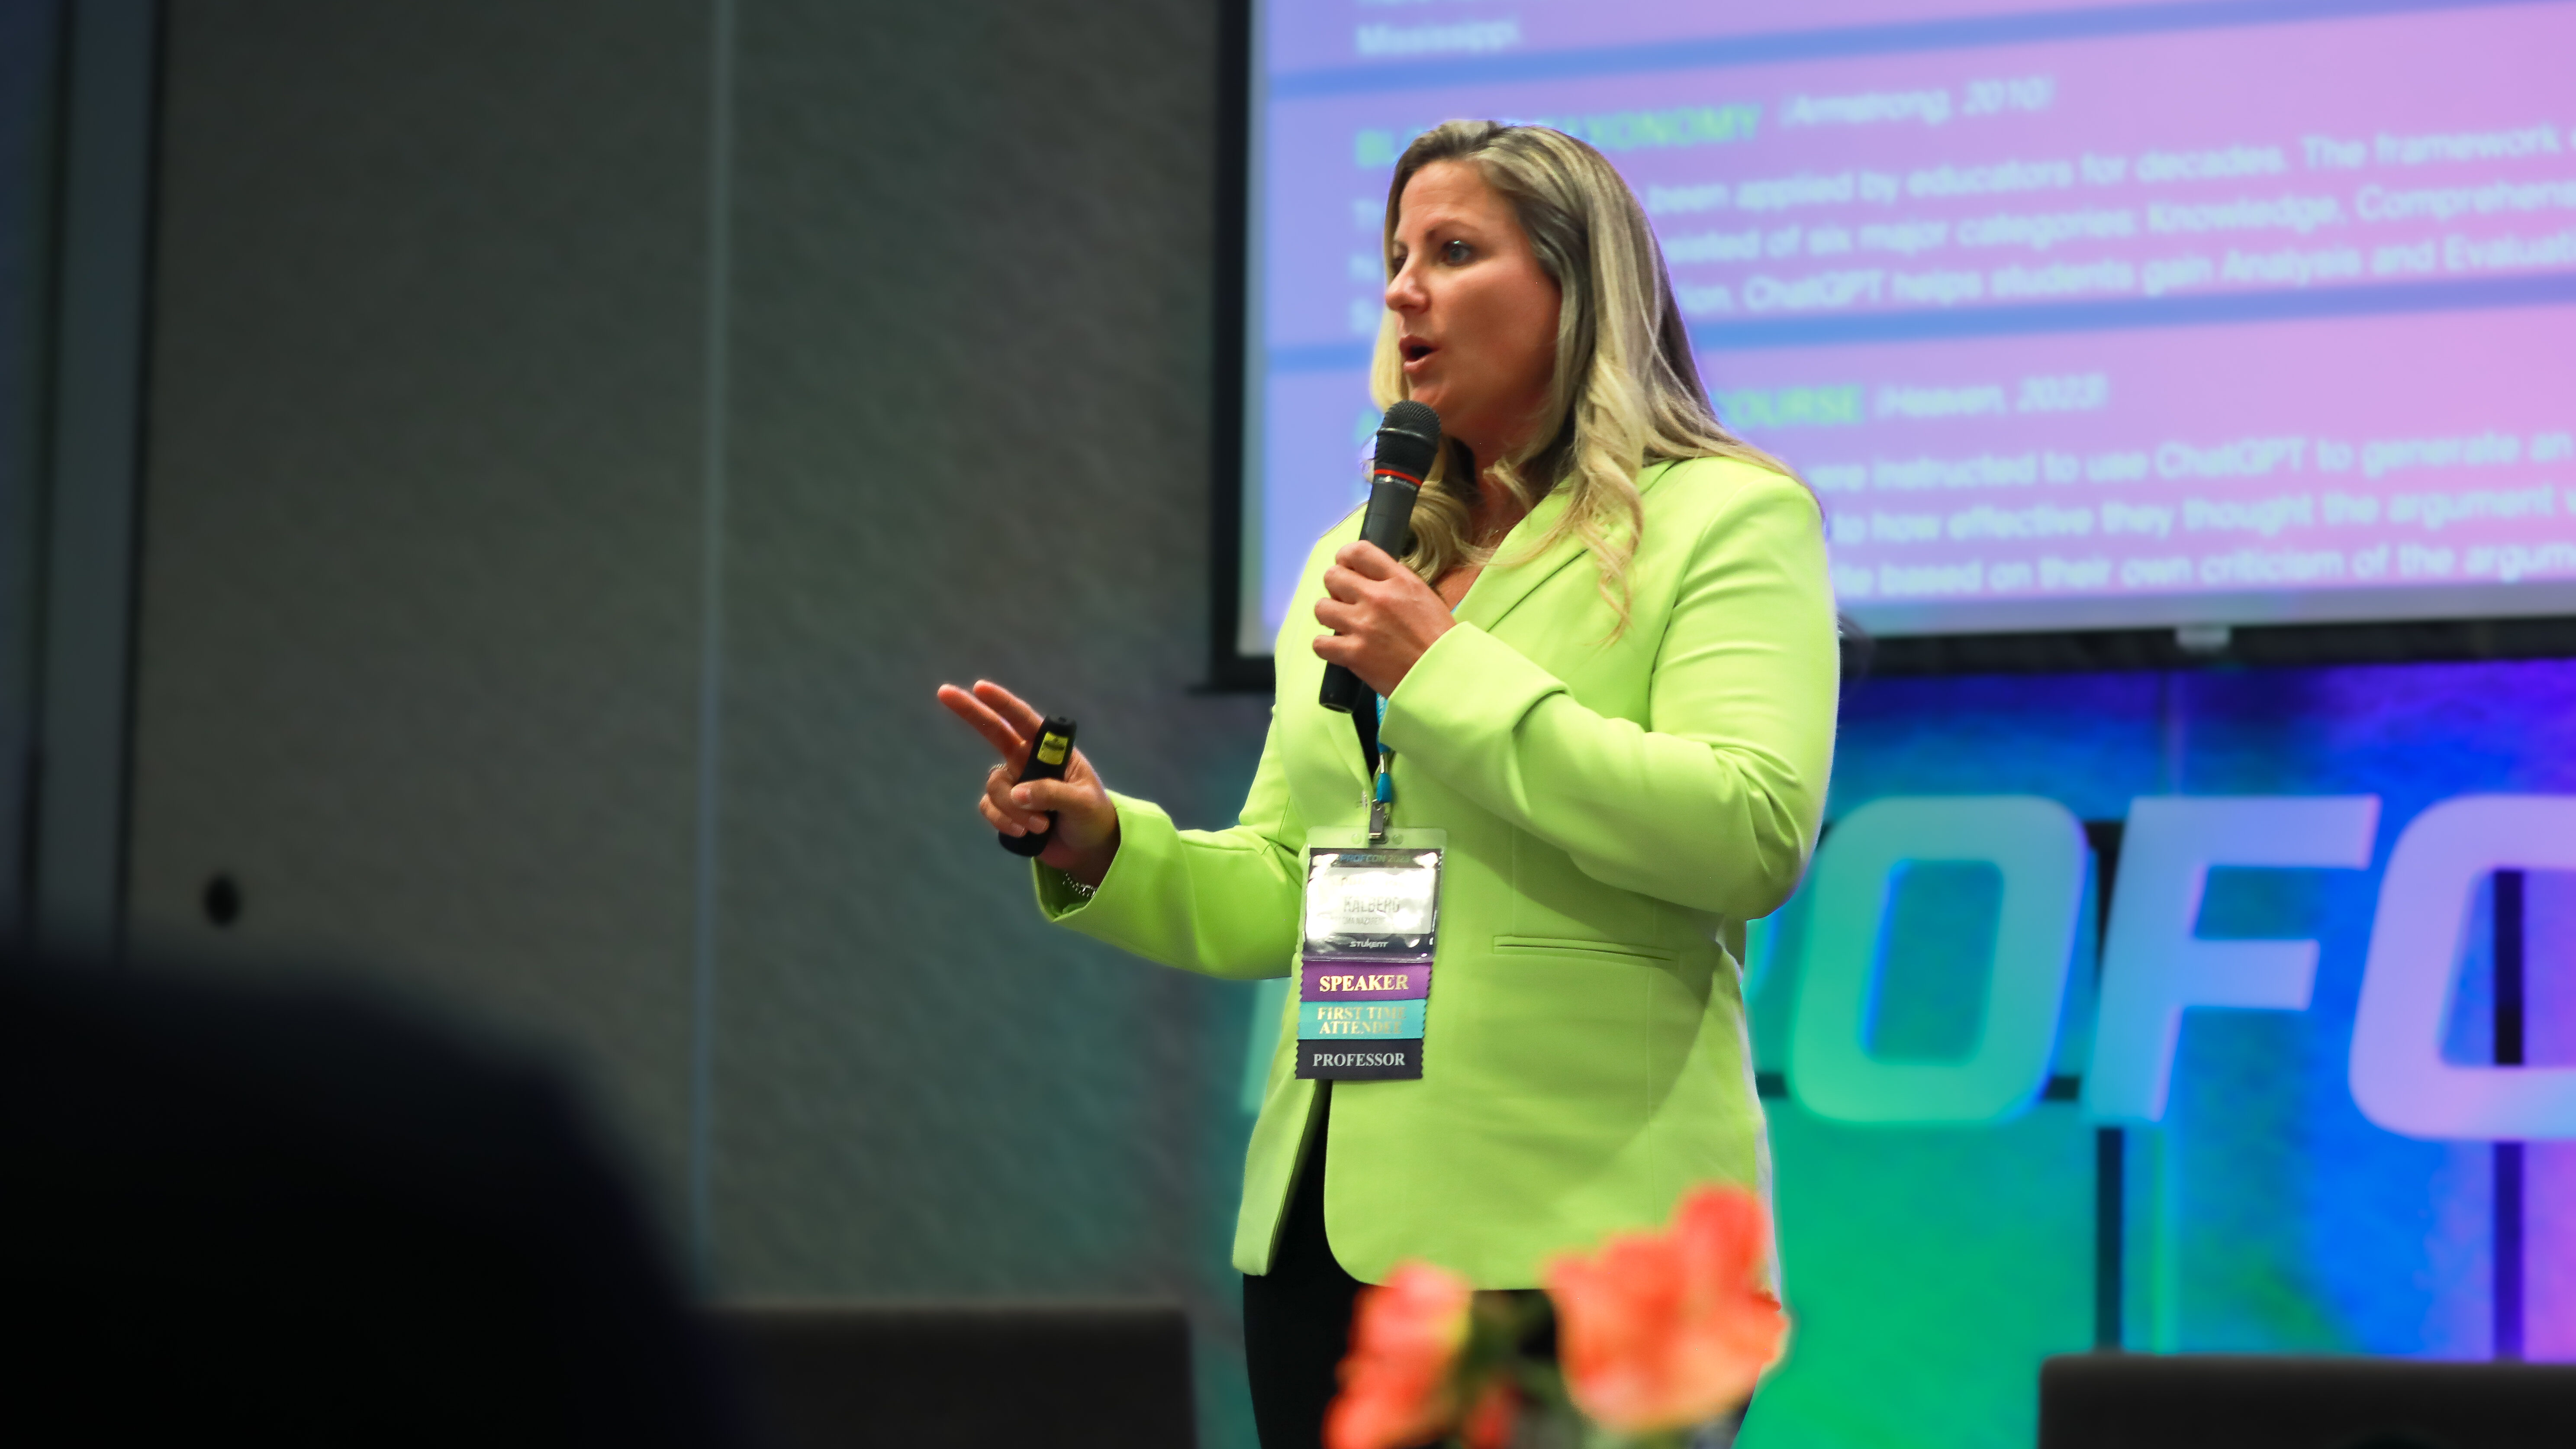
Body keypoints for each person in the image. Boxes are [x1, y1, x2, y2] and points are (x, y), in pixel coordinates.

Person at [939, 119, 1835, 1449]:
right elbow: (1284, 886)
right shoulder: (1354, 562)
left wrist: (1443, 670)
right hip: (1325, 1242)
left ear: (1576, 292)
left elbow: (1747, 831)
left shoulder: (1726, 518)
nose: (1404, 289)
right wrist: (1103, 844)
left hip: (1588, 1248)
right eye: (1396, 257)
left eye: (1456, 252)